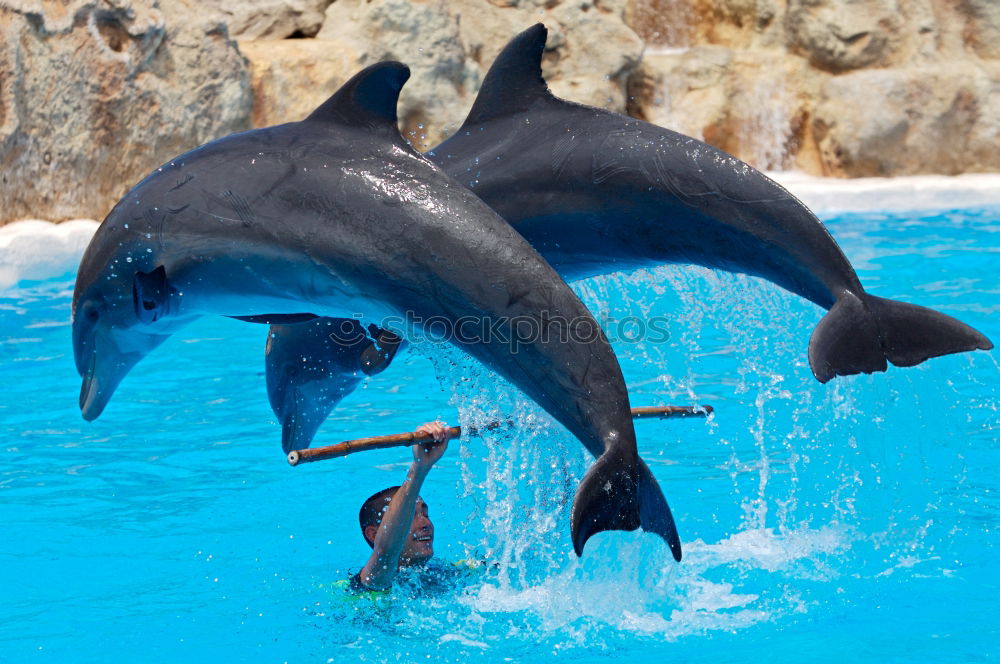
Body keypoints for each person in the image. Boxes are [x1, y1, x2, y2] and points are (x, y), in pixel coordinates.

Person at [350, 421, 450, 592]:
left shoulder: (442, 573)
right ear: (374, 534)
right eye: (411, 517)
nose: (426, 524)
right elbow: (385, 552)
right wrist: (420, 467)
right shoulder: (373, 581)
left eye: (426, 514)